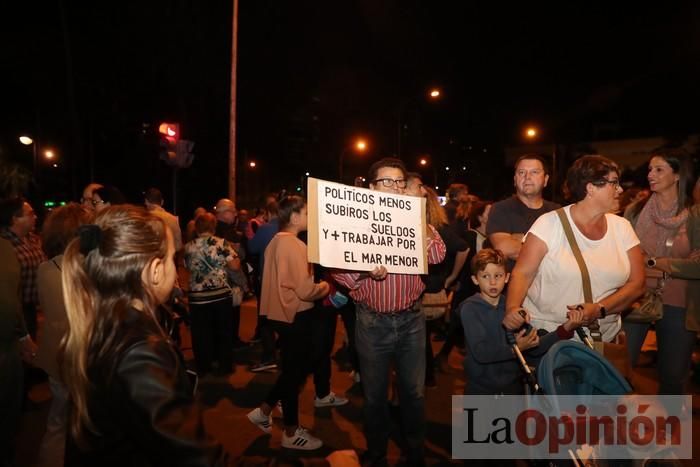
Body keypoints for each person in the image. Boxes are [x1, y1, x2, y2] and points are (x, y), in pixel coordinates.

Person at [61, 205, 228, 466]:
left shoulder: (106, 323)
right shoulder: (139, 353)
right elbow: (199, 459)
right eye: (173, 258)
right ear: (155, 270)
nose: (175, 269)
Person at [333, 157, 446, 467]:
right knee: (374, 396)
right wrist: (364, 273)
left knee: (414, 394)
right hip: (372, 322)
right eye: (388, 182)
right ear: (372, 188)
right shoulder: (355, 224)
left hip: (411, 320)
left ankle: (414, 452)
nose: (396, 188)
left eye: (399, 182)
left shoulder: (415, 220)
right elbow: (336, 268)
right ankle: (377, 452)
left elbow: (438, 253)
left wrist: (417, 217)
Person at [503, 155, 645, 345]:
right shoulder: (549, 224)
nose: (620, 190)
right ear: (590, 187)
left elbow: (638, 283)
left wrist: (600, 309)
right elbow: (522, 273)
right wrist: (512, 308)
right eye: (614, 183)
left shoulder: (622, 227)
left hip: (605, 339)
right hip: (552, 339)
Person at [246, 195, 330, 451]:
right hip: (296, 315)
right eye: (306, 213)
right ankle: (291, 433)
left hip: (279, 315)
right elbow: (306, 290)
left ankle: (264, 411)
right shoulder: (295, 246)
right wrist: (324, 287)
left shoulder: (274, 242)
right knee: (294, 374)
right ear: (294, 217)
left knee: (294, 370)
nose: (309, 217)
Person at [461, 248, 584, 395]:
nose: (492, 282)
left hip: (512, 387)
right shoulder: (470, 309)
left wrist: (566, 328)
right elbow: (481, 353)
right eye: (485, 276)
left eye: (498, 276)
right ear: (475, 279)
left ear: (506, 278)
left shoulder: (512, 308)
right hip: (481, 389)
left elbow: (535, 345)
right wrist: (516, 348)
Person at [623, 149, 695, 394]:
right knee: (620, 367)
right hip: (636, 296)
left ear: (677, 175)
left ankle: (672, 431)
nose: (651, 175)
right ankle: (617, 428)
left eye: (659, 169)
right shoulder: (634, 211)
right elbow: (623, 254)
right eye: (650, 169)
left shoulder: (694, 215)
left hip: (678, 300)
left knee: (673, 376)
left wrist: (652, 262)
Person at [35, 203, 92, 467]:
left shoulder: (44, 269)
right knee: (86, 423)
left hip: (53, 356)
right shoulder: (87, 269)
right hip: (82, 356)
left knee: (56, 421)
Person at [183, 212, 240, 376]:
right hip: (220, 295)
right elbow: (235, 266)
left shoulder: (188, 246)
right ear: (213, 226)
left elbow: (187, 267)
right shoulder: (221, 243)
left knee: (201, 333)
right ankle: (224, 365)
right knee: (224, 331)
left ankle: (203, 365)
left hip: (197, 296)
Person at [486, 154, 559, 271]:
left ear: (545, 180)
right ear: (515, 180)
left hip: (550, 286)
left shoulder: (556, 212)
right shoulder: (500, 209)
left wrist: (521, 239)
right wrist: (549, 249)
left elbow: (566, 251)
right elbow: (505, 248)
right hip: (513, 286)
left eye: (534, 172)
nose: (527, 177)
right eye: (521, 172)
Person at [0, 237, 35, 467]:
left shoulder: (5, 247)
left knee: (9, 416)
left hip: (10, 348)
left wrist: (23, 335)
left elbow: (13, 297)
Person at [0, 197, 47, 339]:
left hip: (35, 308)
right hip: (16, 310)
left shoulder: (34, 239)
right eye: (30, 214)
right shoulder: (5, 245)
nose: (35, 217)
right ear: (15, 219)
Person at [144, 187, 183, 252]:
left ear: (146, 201)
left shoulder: (144, 218)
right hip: (169, 258)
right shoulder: (173, 219)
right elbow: (179, 246)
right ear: (162, 202)